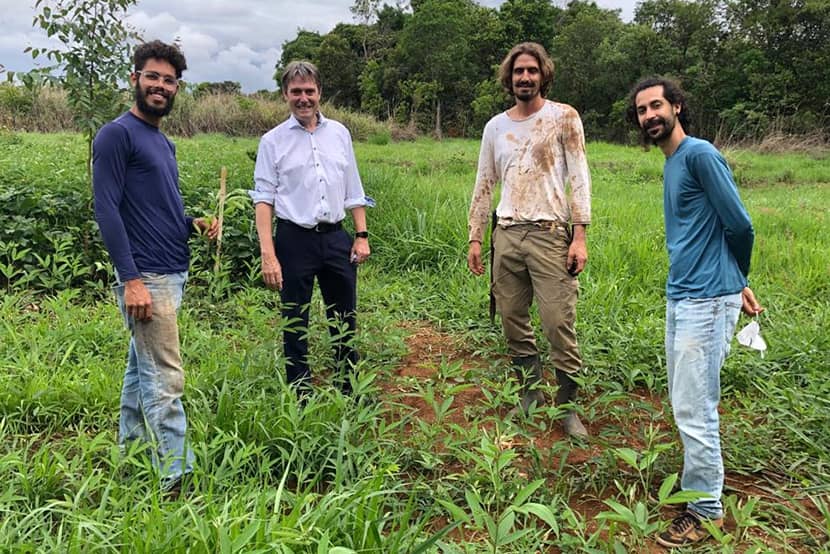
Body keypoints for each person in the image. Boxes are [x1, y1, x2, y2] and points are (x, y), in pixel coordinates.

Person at [627, 77, 764, 548]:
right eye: (642, 110)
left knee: (695, 408)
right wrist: (736, 283)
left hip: (705, 300)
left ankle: (706, 509)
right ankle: (698, 483)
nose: (650, 115)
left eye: (657, 105)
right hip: (685, 295)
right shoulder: (673, 163)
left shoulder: (700, 154)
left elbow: (740, 224)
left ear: (678, 107)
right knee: (686, 400)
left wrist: (736, 279)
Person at [93, 40, 218, 497]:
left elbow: (153, 208)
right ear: (135, 79)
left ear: (177, 87)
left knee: (138, 374)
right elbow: (106, 208)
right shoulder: (116, 134)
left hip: (170, 270)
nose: (160, 86)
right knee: (166, 378)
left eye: (168, 80)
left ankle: (129, 457)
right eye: (152, 77)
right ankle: (175, 479)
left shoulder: (162, 141)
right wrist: (131, 280)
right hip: (148, 278)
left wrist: (192, 224)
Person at [467, 42, 592, 438]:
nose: (525, 77)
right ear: (509, 77)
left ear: (543, 75)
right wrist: (475, 238)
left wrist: (580, 235)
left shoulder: (563, 118)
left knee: (558, 322)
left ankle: (568, 407)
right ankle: (530, 391)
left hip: (550, 235)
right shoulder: (495, 127)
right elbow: (484, 184)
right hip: (506, 234)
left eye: (532, 71)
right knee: (511, 318)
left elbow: (579, 178)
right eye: (519, 71)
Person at [251, 60, 370, 397]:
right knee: (295, 320)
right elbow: (264, 200)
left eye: (309, 91)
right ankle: (300, 394)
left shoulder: (340, 134)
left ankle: (348, 387)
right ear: (285, 95)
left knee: (344, 316)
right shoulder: (272, 141)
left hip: (335, 237)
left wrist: (361, 235)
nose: (303, 98)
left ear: (320, 93)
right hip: (293, 240)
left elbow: (353, 189)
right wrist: (268, 254)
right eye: (296, 92)